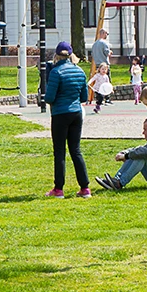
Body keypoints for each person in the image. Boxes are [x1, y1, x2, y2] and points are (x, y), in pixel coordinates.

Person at [41, 42, 90, 197]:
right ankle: (85, 188)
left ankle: (58, 189)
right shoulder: (80, 71)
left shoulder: (56, 72)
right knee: (76, 150)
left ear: (56, 55)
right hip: (76, 113)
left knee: (60, 151)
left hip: (60, 114)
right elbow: (84, 96)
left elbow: (49, 97)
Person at [89, 27, 111, 97]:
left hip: (97, 65)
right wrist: (110, 52)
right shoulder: (104, 43)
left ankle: (99, 97)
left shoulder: (94, 44)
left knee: (99, 82)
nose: (107, 35)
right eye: (106, 34)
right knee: (107, 82)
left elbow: (92, 54)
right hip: (104, 65)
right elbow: (107, 53)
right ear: (103, 33)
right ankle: (107, 98)